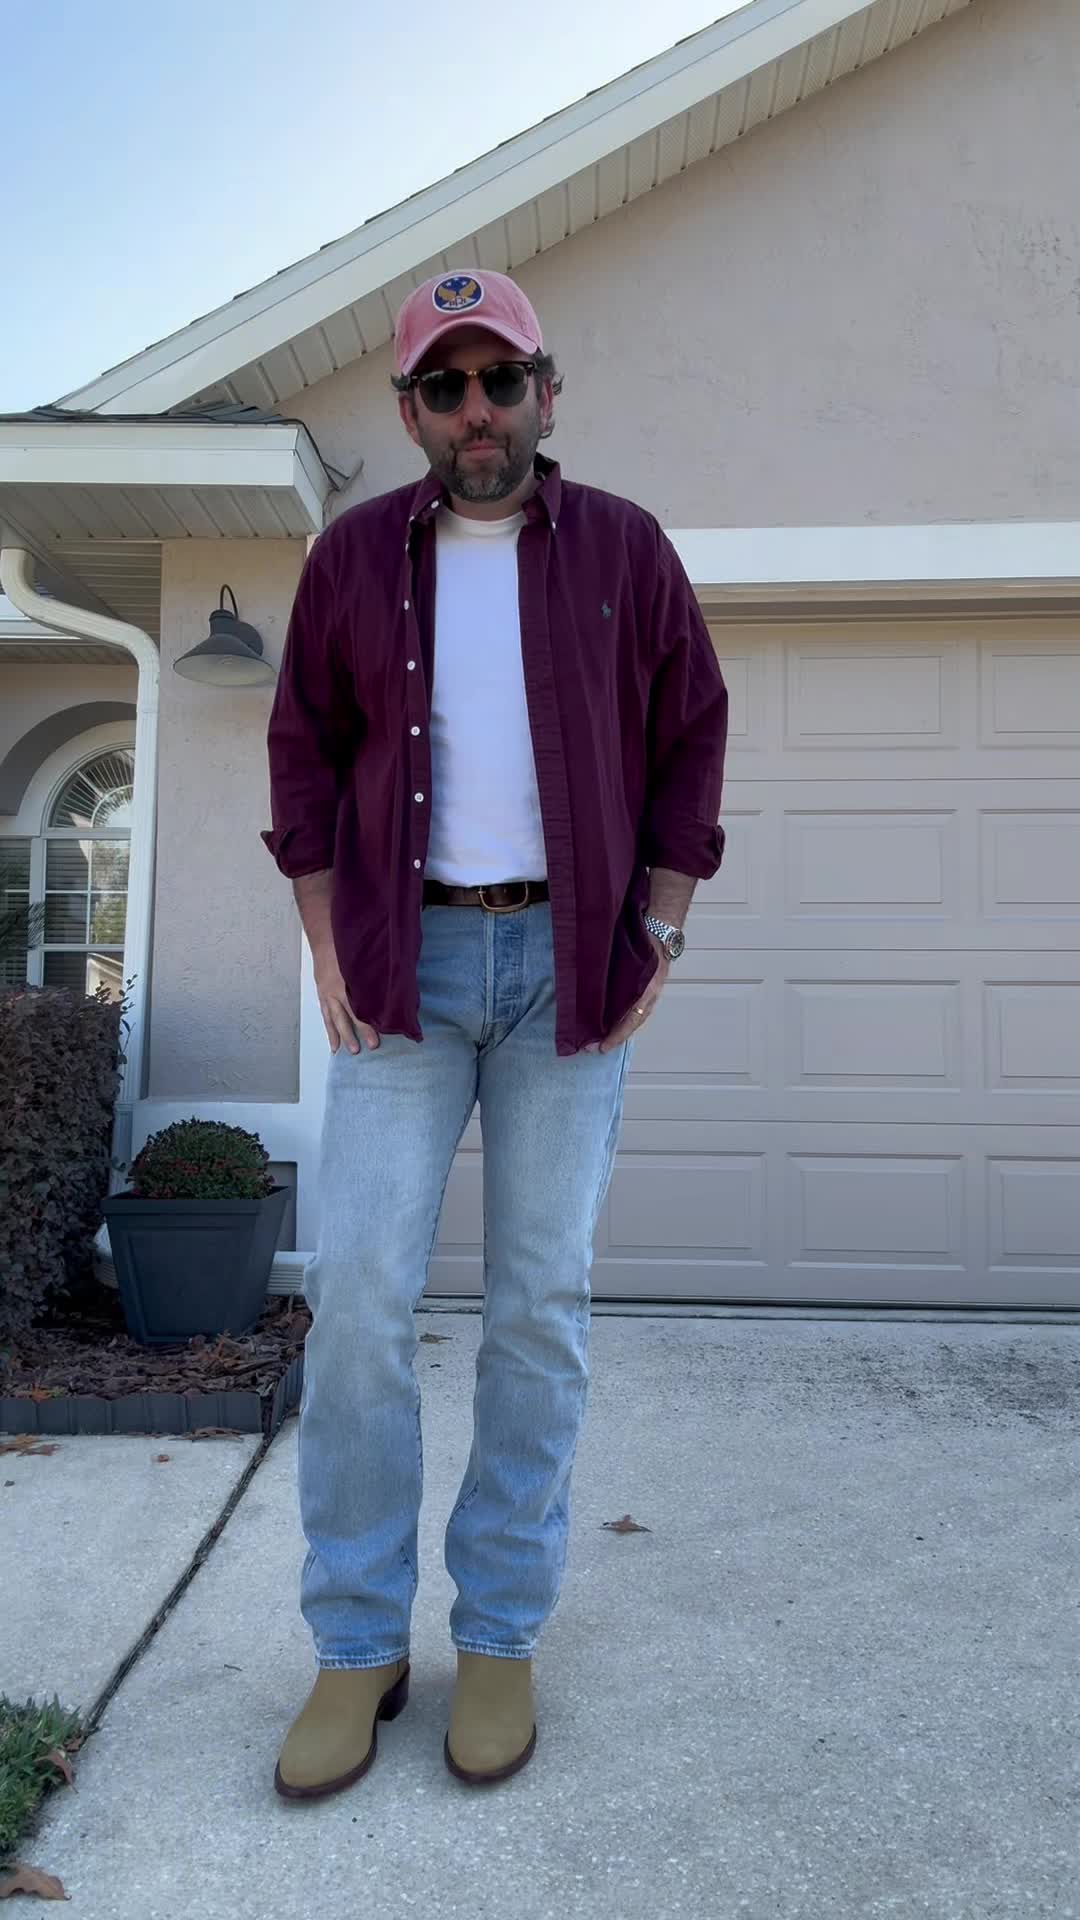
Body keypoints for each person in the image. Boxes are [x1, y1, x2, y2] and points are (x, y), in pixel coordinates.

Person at [262, 268, 728, 1798]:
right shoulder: (350, 561)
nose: (478, 410)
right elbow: (304, 754)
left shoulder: (624, 549)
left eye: (501, 379)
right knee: (359, 1302)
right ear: (410, 411)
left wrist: (662, 922)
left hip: (565, 972)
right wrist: (324, 934)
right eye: (446, 386)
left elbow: (694, 732)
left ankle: (503, 1632)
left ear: (546, 390)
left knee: (536, 1306)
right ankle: (356, 1643)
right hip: (401, 970)